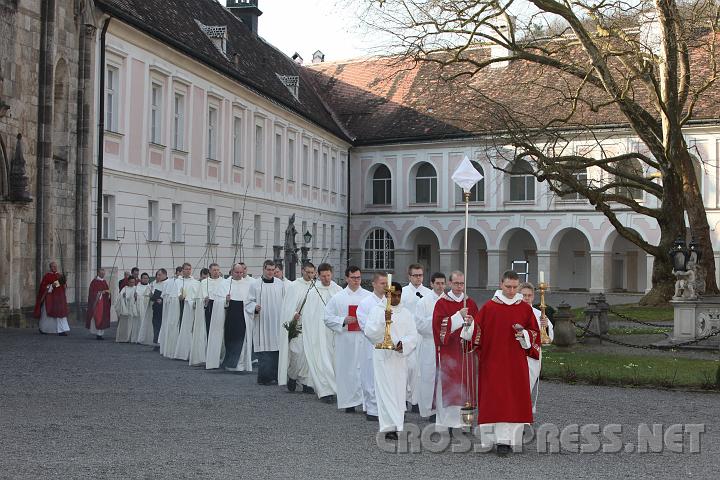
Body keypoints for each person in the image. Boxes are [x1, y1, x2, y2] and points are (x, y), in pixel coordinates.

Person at [463, 270, 541, 456]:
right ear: (501, 284)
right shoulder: (490, 307)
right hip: (493, 361)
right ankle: (490, 440)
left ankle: (507, 441)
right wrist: (469, 327)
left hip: (515, 362)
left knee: (512, 400)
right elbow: (477, 332)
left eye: (515, 287)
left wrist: (525, 336)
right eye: (508, 287)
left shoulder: (524, 308)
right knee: (495, 400)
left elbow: (535, 332)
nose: (512, 291)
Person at [364, 281, 418, 440]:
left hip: (399, 358)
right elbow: (369, 332)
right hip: (383, 357)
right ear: (387, 294)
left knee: (399, 391)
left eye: (399, 295)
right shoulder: (377, 311)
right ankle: (389, 427)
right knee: (385, 391)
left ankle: (398, 424)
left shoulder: (406, 313)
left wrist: (404, 344)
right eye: (393, 295)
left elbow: (412, 335)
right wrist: (383, 320)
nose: (396, 298)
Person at [432, 270, 480, 431]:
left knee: (465, 384)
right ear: (450, 284)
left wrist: (471, 323)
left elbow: (479, 328)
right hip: (449, 351)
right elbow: (438, 327)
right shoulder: (442, 303)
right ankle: (446, 423)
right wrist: (457, 316)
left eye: (462, 283)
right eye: (456, 283)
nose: (459, 287)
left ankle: (463, 422)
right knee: (448, 382)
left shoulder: (471, 303)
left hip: (465, 351)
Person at [324, 265, 371, 412]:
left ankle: (366, 404)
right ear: (346, 278)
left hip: (364, 339)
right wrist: (343, 320)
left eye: (358, 277)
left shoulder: (369, 297)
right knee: (347, 370)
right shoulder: (338, 298)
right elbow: (327, 318)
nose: (356, 281)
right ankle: (349, 403)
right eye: (353, 278)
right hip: (346, 340)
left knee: (365, 370)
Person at [299, 262, 341, 401]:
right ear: (318, 275)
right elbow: (308, 315)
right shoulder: (313, 292)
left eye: (328, 275)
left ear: (332, 274)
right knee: (321, 360)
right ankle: (324, 391)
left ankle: (336, 388)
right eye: (323, 276)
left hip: (334, 333)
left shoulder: (338, 290)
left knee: (334, 361)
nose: (326, 279)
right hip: (319, 333)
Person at [244, 260, 286, 384]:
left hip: (277, 322)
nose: (271, 272)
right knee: (264, 350)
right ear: (263, 269)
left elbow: (285, 301)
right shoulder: (255, 284)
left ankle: (276, 376)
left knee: (277, 351)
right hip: (262, 323)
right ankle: (264, 378)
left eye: (273, 270)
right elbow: (248, 302)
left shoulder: (280, 284)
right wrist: (254, 307)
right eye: (268, 269)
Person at [206, 263, 253, 370]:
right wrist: (225, 301)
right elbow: (218, 302)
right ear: (232, 272)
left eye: (241, 272)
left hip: (242, 316)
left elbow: (250, 301)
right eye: (237, 272)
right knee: (229, 339)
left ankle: (239, 364)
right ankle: (229, 362)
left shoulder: (247, 285)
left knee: (241, 340)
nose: (239, 274)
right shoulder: (224, 284)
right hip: (229, 316)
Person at [278, 262, 316, 393]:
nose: (310, 275)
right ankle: (293, 376)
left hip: (311, 325)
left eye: (312, 273)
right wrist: (293, 314)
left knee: (308, 355)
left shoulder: (316, 286)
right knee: (296, 353)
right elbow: (287, 306)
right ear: (302, 271)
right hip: (297, 325)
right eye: (307, 272)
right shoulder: (294, 286)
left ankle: (306, 383)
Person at [355, 272, 388, 421]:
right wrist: (382, 332)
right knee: (370, 376)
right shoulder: (365, 303)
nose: (385, 286)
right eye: (382, 283)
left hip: (389, 348)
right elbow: (365, 326)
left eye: (387, 283)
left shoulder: (391, 301)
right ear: (374, 284)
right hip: (371, 345)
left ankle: (387, 408)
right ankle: (372, 409)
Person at [414, 272, 446, 420]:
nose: (440, 286)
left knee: (446, 377)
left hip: (447, 345)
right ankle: (430, 409)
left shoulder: (449, 300)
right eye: (437, 283)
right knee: (429, 376)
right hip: (429, 343)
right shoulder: (424, 302)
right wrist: (436, 320)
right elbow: (419, 325)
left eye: (442, 283)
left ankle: (444, 409)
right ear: (432, 284)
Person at [519, 282, 554, 414]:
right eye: (524, 295)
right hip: (516, 355)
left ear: (533, 296)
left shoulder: (539, 314)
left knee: (528, 386)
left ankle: (523, 416)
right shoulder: (513, 312)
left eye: (529, 295)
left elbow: (548, 339)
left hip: (533, 356)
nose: (526, 298)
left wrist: (545, 326)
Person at [401, 263, 432, 412]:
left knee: (422, 368)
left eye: (420, 275)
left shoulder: (428, 293)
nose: (418, 278)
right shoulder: (403, 293)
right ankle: (407, 397)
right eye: (415, 275)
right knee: (410, 367)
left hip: (423, 335)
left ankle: (417, 400)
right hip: (408, 335)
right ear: (409, 276)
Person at [189, 264, 221, 366]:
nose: (216, 272)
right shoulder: (204, 282)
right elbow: (199, 298)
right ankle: (207, 354)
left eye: (217, 270)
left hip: (220, 310)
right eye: (214, 270)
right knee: (208, 331)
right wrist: (205, 300)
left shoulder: (224, 282)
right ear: (210, 271)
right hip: (208, 309)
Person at [34, 261, 70, 336]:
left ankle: (61, 330)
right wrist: (54, 285)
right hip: (50, 299)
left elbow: (64, 287)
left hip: (59, 299)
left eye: (55, 266)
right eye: (53, 266)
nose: (55, 268)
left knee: (60, 314)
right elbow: (44, 287)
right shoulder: (47, 276)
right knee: (46, 315)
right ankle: (43, 329)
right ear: (50, 268)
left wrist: (64, 283)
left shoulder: (60, 275)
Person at [172, 263, 200, 360]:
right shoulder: (178, 281)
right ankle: (181, 349)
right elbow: (175, 293)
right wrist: (180, 296)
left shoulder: (195, 282)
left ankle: (191, 349)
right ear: (182, 270)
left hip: (192, 306)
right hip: (181, 305)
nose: (188, 271)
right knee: (181, 327)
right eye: (186, 269)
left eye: (189, 269)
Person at [159, 266, 184, 357]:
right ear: (177, 273)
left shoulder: (183, 281)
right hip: (170, 307)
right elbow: (165, 295)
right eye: (180, 273)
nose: (181, 275)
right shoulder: (171, 282)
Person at [85, 268, 111, 340]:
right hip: (98, 304)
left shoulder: (104, 281)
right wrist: (99, 293)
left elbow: (107, 290)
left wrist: (108, 292)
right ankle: (98, 334)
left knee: (103, 318)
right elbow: (92, 293)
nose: (103, 275)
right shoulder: (94, 282)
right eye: (101, 273)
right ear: (98, 273)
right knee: (98, 317)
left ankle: (100, 334)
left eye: (104, 274)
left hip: (104, 303)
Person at [115, 276, 141, 343]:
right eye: (131, 282)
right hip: (126, 309)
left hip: (133, 309)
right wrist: (123, 297)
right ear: (128, 282)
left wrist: (136, 297)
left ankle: (132, 338)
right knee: (125, 325)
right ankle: (123, 338)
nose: (132, 283)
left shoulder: (136, 288)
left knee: (133, 324)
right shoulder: (125, 288)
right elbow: (120, 297)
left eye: (133, 282)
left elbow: (139, 298)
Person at [149, 268, 168, 348]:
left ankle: (162, 343)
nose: (158, 276)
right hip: (156, 307)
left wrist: (162, 300)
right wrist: (151, 295)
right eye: (157, 275)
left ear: (164, 275)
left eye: (159, 275)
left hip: (164, 308)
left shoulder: (168, 283)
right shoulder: (155, 283)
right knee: (156, 325)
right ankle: (156, 341)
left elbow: (169, 295)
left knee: (162, 325)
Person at [136, 273, 154, 344]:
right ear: (141, 279)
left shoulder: (150, 287)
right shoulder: (137, 287)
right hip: (139, 306)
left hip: (147, 307)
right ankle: (138, 338)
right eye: (144, 278)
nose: (145, 279)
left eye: (147, 278)